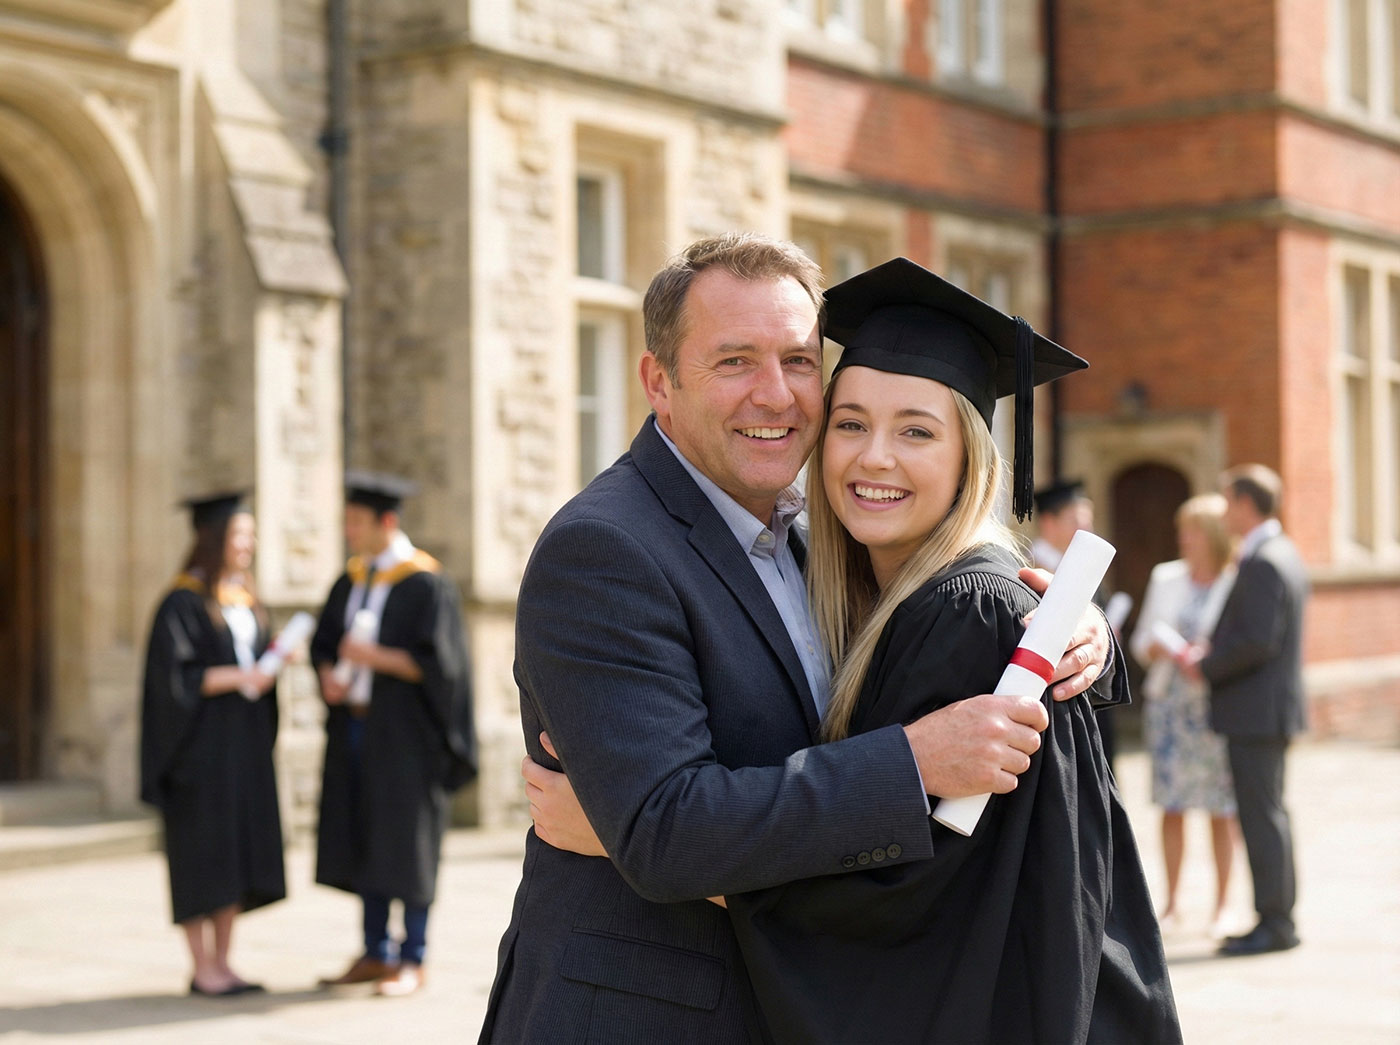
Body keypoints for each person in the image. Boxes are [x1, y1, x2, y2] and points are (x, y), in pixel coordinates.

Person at [479, 233, 1125, 1043]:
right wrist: (916, 759)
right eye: (734, 361)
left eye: (796, 360)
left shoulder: (819, 546)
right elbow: (665, 831)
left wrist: (1080, 639)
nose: (775, 395)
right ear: (659, 380)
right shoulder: (607, 550)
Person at [718, 258, 1179, 1043]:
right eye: (851, 422)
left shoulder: (972, 610)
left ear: (973, 457)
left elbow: (899, 901)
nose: (874, 458)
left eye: (917, 431)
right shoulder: (856, 588)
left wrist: (667, 854)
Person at [311, 472, 477, 997]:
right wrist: (328, 677)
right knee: (365, 835)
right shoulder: (352, 579)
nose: (348, 532)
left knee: (407, 843)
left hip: (407, 739)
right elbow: (322, 642)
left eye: (356, 522)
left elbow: (442, 668)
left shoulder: (426, 583)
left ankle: (414, 956)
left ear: (387, 522)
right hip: (356, 728)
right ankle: (374, 950)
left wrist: (372, 657)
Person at [139, 492, 285, 997]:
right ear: (214, 539)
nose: (250, 544)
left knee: (234, 853)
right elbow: (173, 680)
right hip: (196, 753)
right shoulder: (182, 602)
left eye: (250, 535)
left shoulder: (244, 598)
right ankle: (201, 966)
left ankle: (224, 961)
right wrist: (240, 676)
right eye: (240, 535)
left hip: (241, 750)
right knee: (200, 854)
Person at [1185, 463, 1308, 956]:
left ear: (1243, 504)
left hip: (1257, 713)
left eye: (1226, 501)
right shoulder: (1282, 553)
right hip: (1267, 711)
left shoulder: (1264, 561)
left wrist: (1207, 665)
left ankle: (1275, 924)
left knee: (1262, 818)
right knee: (1268, 815)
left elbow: (1258, 640)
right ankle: (1277, 918)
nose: (1222, 511)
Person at [1130, 493, 1239, 934]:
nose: (1183, 539)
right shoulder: (1167, 578)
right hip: (1170, 707)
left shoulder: (1236, 581)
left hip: (1214, 708)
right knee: (1171, 805)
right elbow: (1140, 641)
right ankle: (1172, 904)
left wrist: (1210, 656)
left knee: (1221, 807)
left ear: (1212, 534)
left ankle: (1223, 905)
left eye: (1190, 530)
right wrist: (1154, 647)